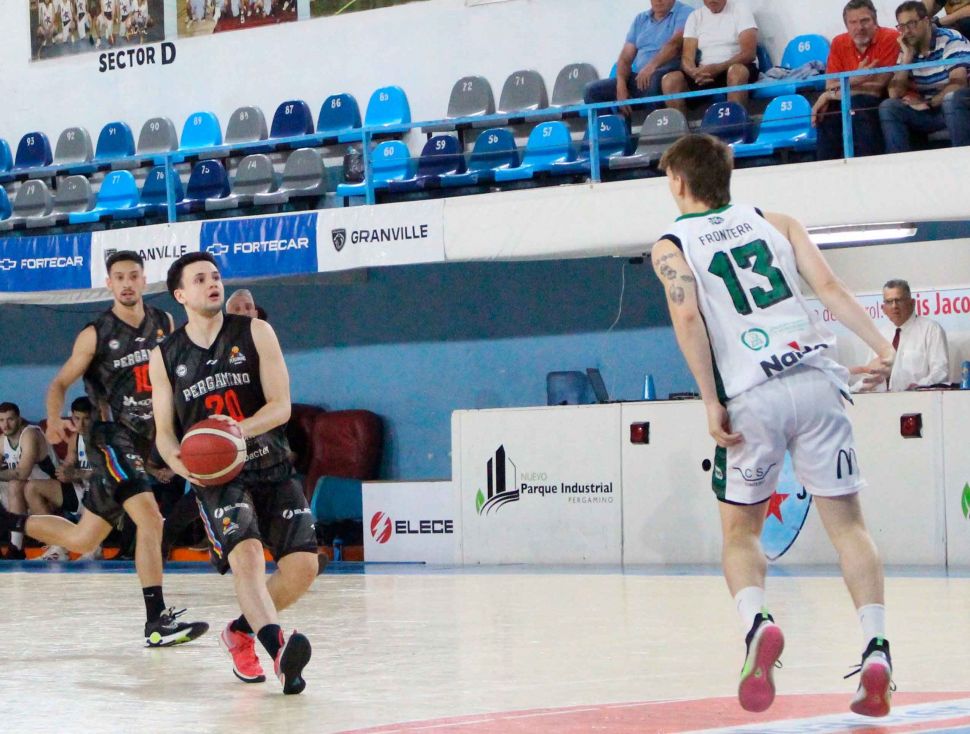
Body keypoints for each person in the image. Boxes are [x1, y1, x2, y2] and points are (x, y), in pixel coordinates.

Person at [651, 134, 894, 716]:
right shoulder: (777, 221)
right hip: (816, 382)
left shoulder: (671, 245)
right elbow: (829, 288)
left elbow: (687, 317)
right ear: (727, 176)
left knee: (740, 535)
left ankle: (758, 623)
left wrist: (709, 399)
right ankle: (876, 647)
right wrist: (883, 346)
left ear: (678, 182)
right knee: (850, 528)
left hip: (751, 398)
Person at [0, 251, 208, 646]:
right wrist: (55, 418)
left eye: (133, 276)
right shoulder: (96, 333)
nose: (127, 283)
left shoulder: (164, 323)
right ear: (109, 284)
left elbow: (177, 374)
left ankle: (6, 522)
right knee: (152, 520)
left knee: (83, 538)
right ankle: (156, 622)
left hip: (143, 441)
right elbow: (60, 383)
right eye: (119, 277)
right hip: (109, 439)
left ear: (144, 280)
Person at [151, 252, 318, 695]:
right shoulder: (165, 355)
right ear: (180, 295)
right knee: (247, 558)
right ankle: (278, 652)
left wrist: (235, 430)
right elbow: (164, 434)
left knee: (303, 567)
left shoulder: (256, 332)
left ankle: (240, 632)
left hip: (271, 463)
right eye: (200, 279)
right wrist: (179, 463)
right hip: (218, 478)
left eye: (216, 276)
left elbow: (281, 406)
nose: (212, 284)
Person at [812, 0, 900, 159]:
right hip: (848, 99)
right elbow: (830, 85)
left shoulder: (890, 37)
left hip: (879, 100)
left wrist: (830, 94)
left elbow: (877, 87)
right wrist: (855, 79)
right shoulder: (839, 42)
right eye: (853, 22)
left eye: (865, 21)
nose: (859, 27)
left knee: (858, 104)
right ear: (846, 25)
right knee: (828, 111)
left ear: (875, 21)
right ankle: (825, 168)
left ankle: (866, 165)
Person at [879, 1, 970, 153]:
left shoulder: (950, 39)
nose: (907, 31)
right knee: (889, 107)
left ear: (926, 21)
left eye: (911, 24)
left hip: (959, 106)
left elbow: (958, 85)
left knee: (950, 99)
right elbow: (894, 93)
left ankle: (963, 159)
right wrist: (907, 58)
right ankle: (898, 163)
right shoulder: (908, 48)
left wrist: (928, 103)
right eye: (902, 26)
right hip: (931, 110)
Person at [583, 1, 693, 113]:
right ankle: (612, 124)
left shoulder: (684, 12)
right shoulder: (640, 19)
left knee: (653, 79)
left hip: (667, 73)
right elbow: (625, 57)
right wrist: (621, 85)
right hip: (640, 77)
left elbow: (675, 45)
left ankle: (656, 123)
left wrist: (651, 67)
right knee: (592, 91)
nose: (658, 0)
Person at [661, 0, 759, 113]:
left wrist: (718, 68)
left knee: (736, 72)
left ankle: (736, 120)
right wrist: (694, 72)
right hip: (706, 72)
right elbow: (687, 57)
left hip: (736, 66)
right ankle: (681, 124)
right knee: (670, 80)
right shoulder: (695, 16)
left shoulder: (740, 10)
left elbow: (749, 53)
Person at [862, 279, 950, 391]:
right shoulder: (880, 335)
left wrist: (917, 387)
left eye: (899, 300)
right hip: (881, 399)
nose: (894, 306)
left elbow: (940, 372)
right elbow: (869, 374)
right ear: (883, 309)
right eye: (889, 302)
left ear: (912, 303)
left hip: (919, 398)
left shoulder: (931, 330)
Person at [0, 402, 60, 560]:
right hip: (25, 493)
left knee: (16, 484)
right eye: (1, 420)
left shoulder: (30, 434)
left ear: (19, 419)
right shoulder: (2, 441)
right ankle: (14, 547)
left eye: (10, 419)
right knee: (16, 486)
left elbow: (22, 473)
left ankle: (16, 548)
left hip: (52, 492)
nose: (5, 425)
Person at [53, 397, 104, 561]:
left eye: (86, 419)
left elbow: (105, 472)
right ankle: (56, 547)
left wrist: (76, 474)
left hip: (103, 492)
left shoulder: (105, 437)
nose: (81, 424)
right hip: (81, 488)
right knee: (32, 489)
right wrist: (64, 471)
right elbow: (69, 462)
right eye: (77, 418)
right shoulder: (75, 438)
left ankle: (94, 547)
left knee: (97, 487)